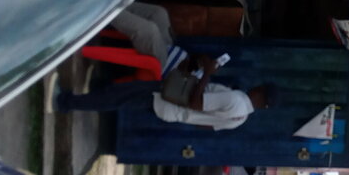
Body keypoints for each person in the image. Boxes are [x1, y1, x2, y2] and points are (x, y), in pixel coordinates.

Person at [55, 55, 279, 130]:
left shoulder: (237, 99)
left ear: (260, 93)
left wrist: (208, 73)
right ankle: (71, 101)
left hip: (166, 99)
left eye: (259, 88)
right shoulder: (241, 118)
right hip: (170, 111)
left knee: (116, 96)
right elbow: (206, 124)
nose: (255, 87)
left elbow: (196, 103)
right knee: (117, 98)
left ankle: (65, 102)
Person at [109, 1, 188, 75]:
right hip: (172, 50)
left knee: (149, 31)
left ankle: (106, 12)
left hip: (167, 72)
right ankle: (113, 2)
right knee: (159, 13)